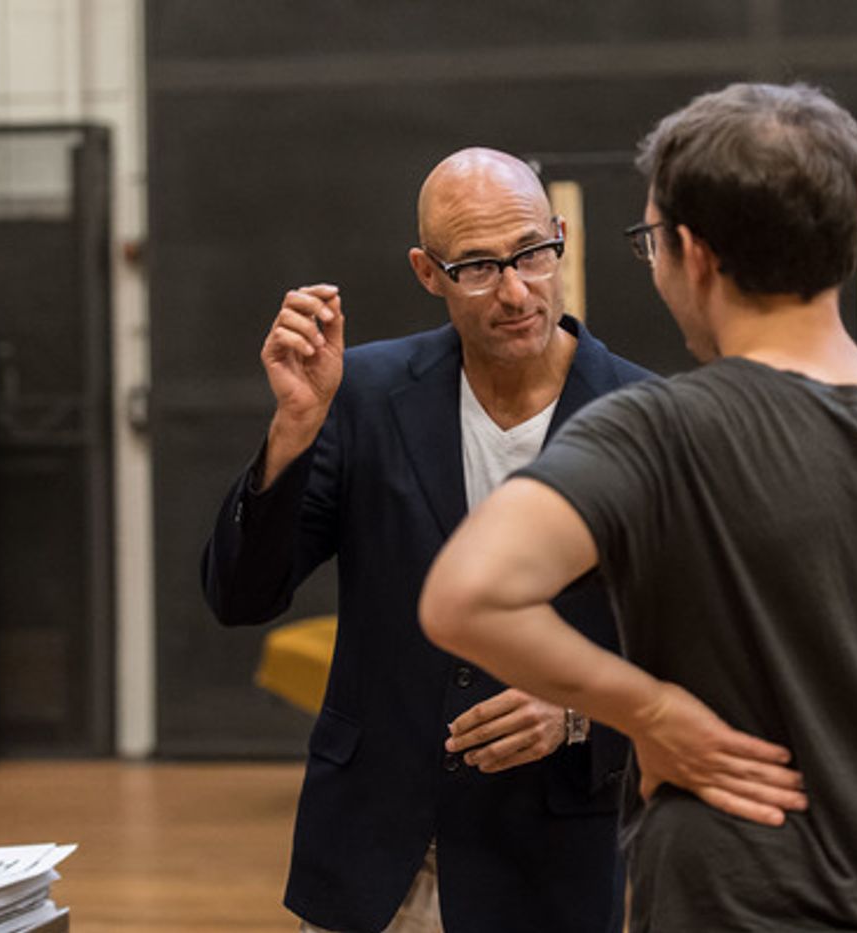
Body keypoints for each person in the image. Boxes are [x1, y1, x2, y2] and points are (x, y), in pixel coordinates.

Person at [420, 84, 857, 933]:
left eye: (650, 241)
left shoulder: (655, 433)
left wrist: (654, 713)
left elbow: (465, 596)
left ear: (693, 253)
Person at [201, 148, 799, 933]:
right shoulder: (361, 392)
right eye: (478, 266)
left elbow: (713, 659)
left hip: (552, 854)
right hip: (371, 850)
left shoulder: (651, 418)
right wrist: (292, 431)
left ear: (560, 240)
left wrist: (582, 715)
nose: (516, 290)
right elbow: (241, 595)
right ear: (427, 271)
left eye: (531, 255)